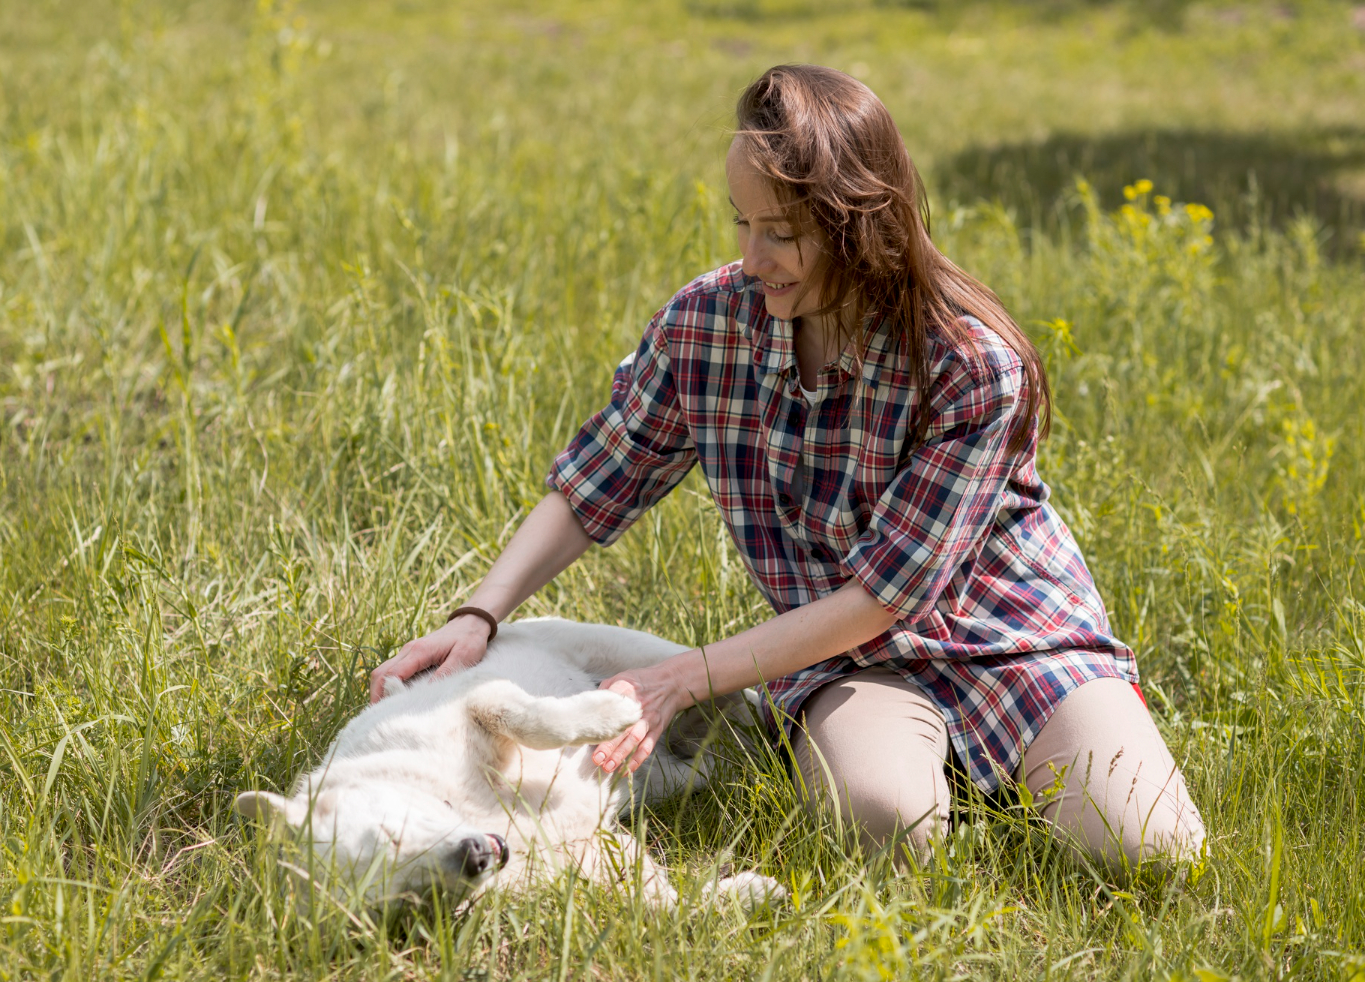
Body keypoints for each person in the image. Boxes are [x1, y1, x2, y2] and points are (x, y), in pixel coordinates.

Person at [371, 64, 1206, 870]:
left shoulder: (971, 365)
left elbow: (886, 594)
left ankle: (1023, 756)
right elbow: (596, 486)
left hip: (1011, 637)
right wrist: (478, 613)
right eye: (742, 222)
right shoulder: (707, 324)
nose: (751, 255)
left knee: (1152, 853)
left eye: (782, 234)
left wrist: (681, 679)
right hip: (852, 659)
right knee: (883, 827)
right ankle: (924, 764)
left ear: (860, 226)